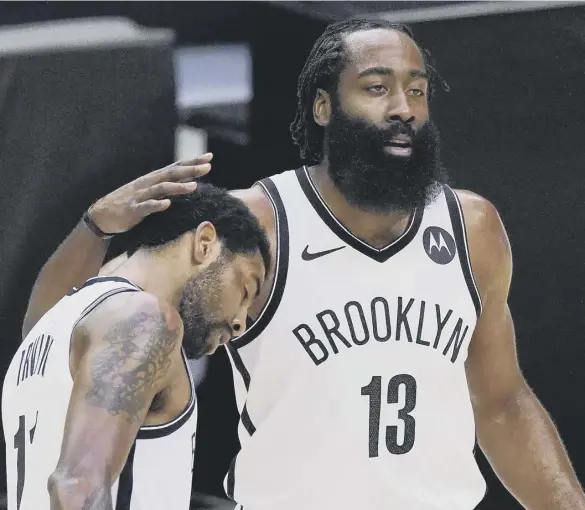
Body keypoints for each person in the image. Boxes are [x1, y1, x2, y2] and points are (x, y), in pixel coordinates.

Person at [19, 18, 585, 510]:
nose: (403, 109)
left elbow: (503, 402)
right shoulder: (255, 224)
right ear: (323, 107)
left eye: (417, 92)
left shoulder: (473, 230)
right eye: (376, 88)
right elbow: (60, 333)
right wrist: (93, 227)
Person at [2, 182, 270, 510]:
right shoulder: (144, 320)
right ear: (205, 243)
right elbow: (77, 489)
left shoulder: (47, 332)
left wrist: (94, 225)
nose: (241, 322)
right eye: (245, 289)